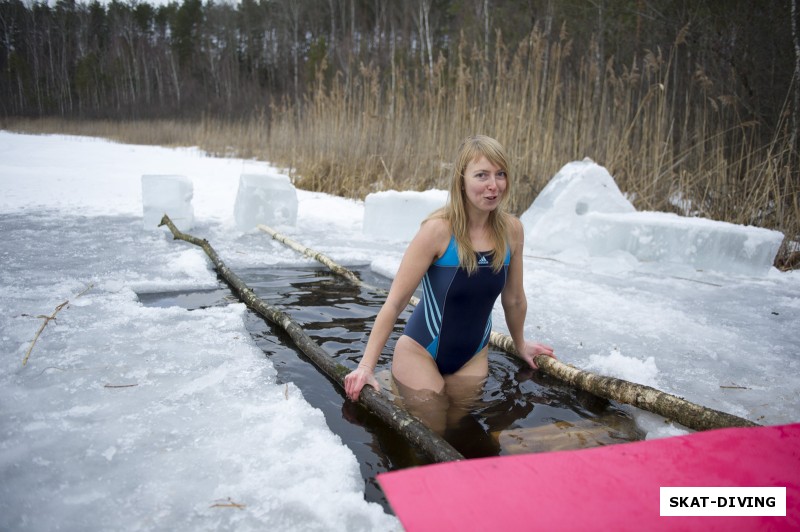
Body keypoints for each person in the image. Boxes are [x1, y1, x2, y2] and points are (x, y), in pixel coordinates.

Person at [344, 135, 555, 430]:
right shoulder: (437, 231)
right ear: (462, 180)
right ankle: (390, 382)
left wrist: (520, 344)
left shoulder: (512, 231)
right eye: (482, 175)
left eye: (500, 174)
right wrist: (365, 367)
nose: (493, 185)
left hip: (472, 357)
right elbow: (395, 303)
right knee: (433, 428)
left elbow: (515, 298)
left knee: (458, 429)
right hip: (420, 352)